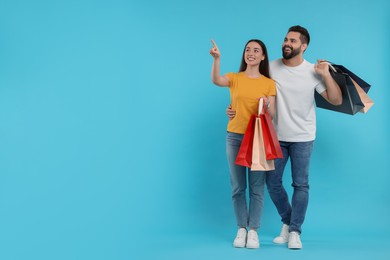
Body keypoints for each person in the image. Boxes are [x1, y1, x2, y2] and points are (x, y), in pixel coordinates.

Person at [226, 25, 342, 249]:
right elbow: (250, 89)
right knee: (272, 183)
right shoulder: (271, 67)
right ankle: (288, 221)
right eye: (286, 39)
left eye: (293, 41)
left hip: (303, 137)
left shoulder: (312, 71)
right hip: (274, 137)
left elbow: (335, 100)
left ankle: (294, 230)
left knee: (301, 184)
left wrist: (326, 75)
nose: (287, 43)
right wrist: (233, 109)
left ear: (304, 46)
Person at [210, 39, 276, 249]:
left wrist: (266, 105)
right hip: (235, 137)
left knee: (257, 187)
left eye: (256, 50)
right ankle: (241, 229)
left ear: (263, 56)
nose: (251, 53)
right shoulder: (235, 78)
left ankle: (254, 231)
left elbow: (273, 115)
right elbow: (216, 80)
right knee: (238, 187)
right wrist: (217, 59)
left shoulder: (268, 83)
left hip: (258, 140)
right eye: (248, 50)